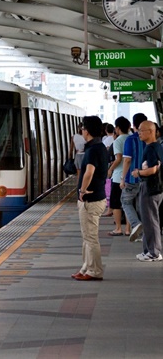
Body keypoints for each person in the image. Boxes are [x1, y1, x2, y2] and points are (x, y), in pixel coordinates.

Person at [71, 115, 108, 281]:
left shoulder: (93, 150)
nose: (82, 131)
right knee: (87, 237)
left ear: (87, 130)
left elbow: (89, 172)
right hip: (96, 198)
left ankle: (94, 271)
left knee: (91, 238)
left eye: (83, 128)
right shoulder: (99, 147)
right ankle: (86, 267)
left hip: (91, 200)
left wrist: (83, 190)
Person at [132, 121, 163, 262]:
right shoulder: (157, 147)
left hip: (150, 188)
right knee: (148, 220)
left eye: (141, 130)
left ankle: (154, 252)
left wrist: (139, 172)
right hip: (156, 188)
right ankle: (147, 250)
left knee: (151, 220)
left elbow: (153, 169)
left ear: (151, 131)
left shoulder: (151, 148)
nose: (138, 133)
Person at [120, 113, 147, 243]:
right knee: (140, 205)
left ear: (134, 125)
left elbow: (127, 160)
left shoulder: (131, 140)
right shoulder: (151, 140)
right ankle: (143, 234)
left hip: (132, 179)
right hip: (147, 179)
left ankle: (135, 224)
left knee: (125, 202)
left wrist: (122, 178)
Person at [107, 117, 130, 236]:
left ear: (118, 128)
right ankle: (128, 229)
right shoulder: (132, 139)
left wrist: (110, 169)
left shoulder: (118, 141)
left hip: (118, 177)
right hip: (130, 176)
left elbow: (119, 158)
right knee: (128, 203)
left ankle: (118, 228)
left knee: (116, 203)